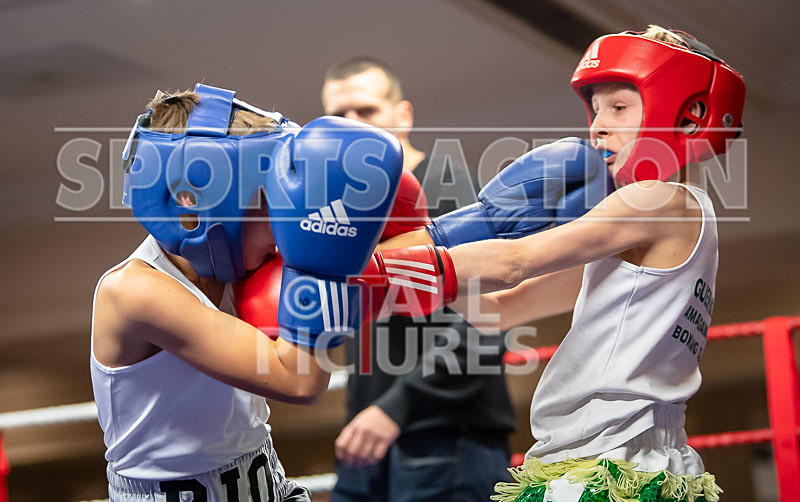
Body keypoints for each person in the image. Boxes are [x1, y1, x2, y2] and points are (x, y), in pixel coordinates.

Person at [358, 26, 745, 501]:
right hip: (638, 458)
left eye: (619, 107)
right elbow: (506, 306)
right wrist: (383, 287)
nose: (597, 125)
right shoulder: (678, 218)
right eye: (596, 109)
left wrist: (365, 261)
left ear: (688, 115)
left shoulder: (656, 199)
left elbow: (515, 261)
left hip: (606, 460)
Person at [90, 83, 403, 501]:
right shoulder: (134, 292)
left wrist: (489, 229)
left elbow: (398, 267)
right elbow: (300, 382)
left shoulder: (238, 269)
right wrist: (324, 260)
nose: (285, 220)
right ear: (193, 205)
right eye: (269, 201)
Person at [319, 56, 516, 502]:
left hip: (446, 442)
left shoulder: (451, 190)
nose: (351, 125)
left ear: (402, 115)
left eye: (366, 111)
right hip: (367, 448)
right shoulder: (350, 210)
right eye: (337, 116)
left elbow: (489, 316)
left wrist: (394, 409)